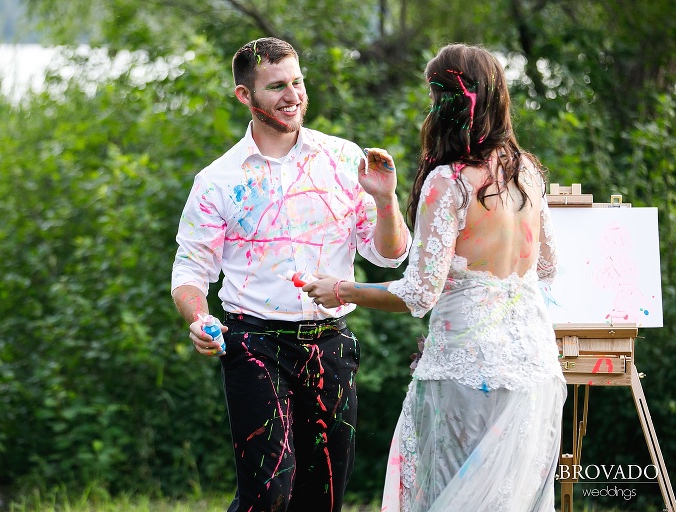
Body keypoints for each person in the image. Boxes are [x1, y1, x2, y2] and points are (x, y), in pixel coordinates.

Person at [305, 43, 567, 512]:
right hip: (535, 366)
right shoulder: (527, 172)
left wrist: (341, 290)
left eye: (432, 97)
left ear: (446, 103)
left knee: (447, 493)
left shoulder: (448, 181)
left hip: (467, 369)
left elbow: (420, 292)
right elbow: (546, 267)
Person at [170, 37, 411, 512]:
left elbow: (390, 255)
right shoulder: (217, 179)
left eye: (297, 82)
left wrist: (385, 200)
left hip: (331, 343)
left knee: (323, 497)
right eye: (276, 86)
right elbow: (190, 270)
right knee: (268, 494)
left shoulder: (344, 158)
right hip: (253, 344)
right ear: (245, 96)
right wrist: (198, 317)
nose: (293, 95)